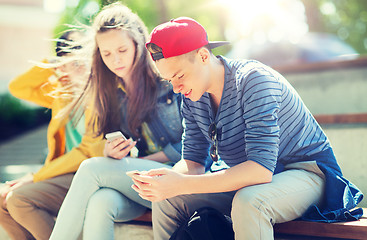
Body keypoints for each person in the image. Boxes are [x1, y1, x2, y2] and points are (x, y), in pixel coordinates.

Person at [129, 17, 364, 239]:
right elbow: (193, 164)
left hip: (307, 174)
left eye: (179, 75)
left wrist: (182, 184)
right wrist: (162, 181)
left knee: (250, 201)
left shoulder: (254, 80)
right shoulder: (193, 96)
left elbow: (259, 171)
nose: (177, 88)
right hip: (251, 180)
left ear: (202, 56)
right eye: (170, 80)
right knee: (167, 200)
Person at [49, 3, 184, 240]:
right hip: (141, 183)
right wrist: (113, 153)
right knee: (100, 202)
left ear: (138, 44)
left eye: (122, 49)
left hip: (178, 178)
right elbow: (123, 152)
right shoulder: (112, 94)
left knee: (91, 168)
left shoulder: (169, 81)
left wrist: (141, 162)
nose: (115, 60)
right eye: (107, 53)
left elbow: (195, 146)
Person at [0, 30, 105, 240]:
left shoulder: (101, 93)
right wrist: (51, 63)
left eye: (84, 53)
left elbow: (88, 151)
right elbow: (18, 87)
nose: (81, 62)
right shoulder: (61, 95)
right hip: (63, 173)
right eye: (73, 56)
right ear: (62, 65)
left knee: (18, 199)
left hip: (89, 173)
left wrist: (36, 177)